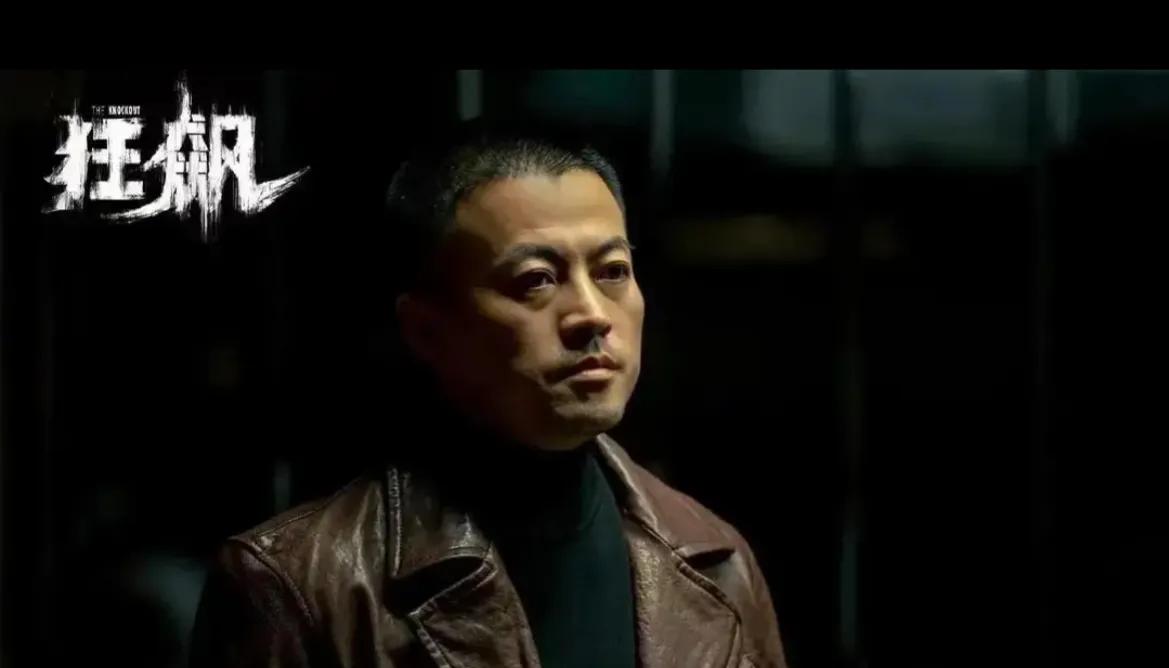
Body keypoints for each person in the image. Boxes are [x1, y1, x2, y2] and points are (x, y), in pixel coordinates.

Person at [188, 120, 788, 668]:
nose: (591, 314)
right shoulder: (302, 585)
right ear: (427, 329)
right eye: (537, 280)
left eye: (612, 271)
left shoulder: (713, 561)